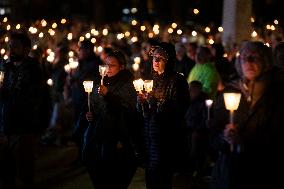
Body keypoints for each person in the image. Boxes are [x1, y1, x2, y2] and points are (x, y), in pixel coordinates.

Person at [210, 41, 284, 189]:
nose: (249, 61)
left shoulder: (277, 93)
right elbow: (214, 128)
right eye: (244, 57)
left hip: (262, 172)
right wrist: (224, 137)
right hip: (228, 171)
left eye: (254, 57)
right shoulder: (231, 90)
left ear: (266, 60)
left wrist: (245, 141)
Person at [75, 50, 142, 189]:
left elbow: (127, 109)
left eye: (112, 65)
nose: (108, 68)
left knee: (114, 173)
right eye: (106, 64)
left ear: (121, 67)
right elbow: (91, 104)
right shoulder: (99, 82)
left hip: (119, 137)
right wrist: (89, 113)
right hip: (97, 133)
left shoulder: (127, 84)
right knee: (94, 165)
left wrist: (108, 95)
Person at [137, 42, 190, 189]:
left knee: (162, 177)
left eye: (160, 58)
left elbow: (179, 109)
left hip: (166, 138)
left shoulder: (177, 81)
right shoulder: (151, 80)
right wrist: (141, 102)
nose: (156, 61)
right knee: (150, 177)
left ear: (169, 60)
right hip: (149, 136)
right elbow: (144, 112)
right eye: (154, 57)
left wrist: (155, 103)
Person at [0, 32, 47, 189]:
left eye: (15, 47)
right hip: (6, 124)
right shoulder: (6, 68)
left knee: (24, 171)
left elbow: (34, 98)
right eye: (10, 46)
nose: (11, 50)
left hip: (24, 127)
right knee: (6, 172)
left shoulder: (34, 70)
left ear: (26, 49)